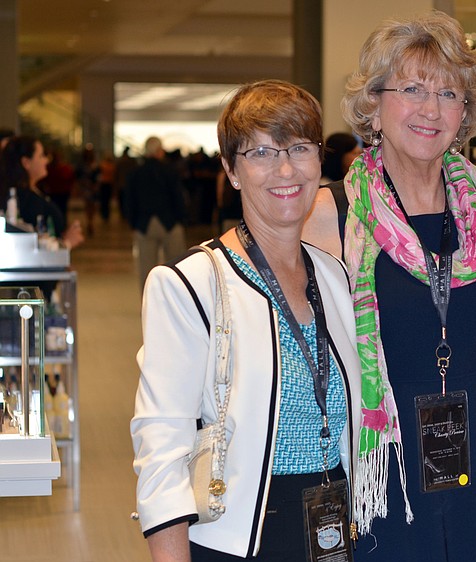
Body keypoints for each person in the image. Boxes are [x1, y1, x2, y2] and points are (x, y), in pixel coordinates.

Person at [303, 11, 476, 561]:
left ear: (465, 113)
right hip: (384, 459)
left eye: (448, 94)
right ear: (373, 106)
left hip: (475, 446)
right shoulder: (333, 216)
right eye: (412, 90)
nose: (431, 109)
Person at [131, 79, 362, 561]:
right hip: (239, 538)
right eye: (260, 153)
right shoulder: (191, 284)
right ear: (231, 171)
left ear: (319, 161)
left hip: (330, 527)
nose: (285, 168)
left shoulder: (333, 277)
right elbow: (161, 450)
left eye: (299, 148)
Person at [123, 136, 188, 290]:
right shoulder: (170, 171)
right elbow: (178, 197)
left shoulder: (136, 173)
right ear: (160, 151)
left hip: (144, 224)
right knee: (176, 269)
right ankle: (176, 300)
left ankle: (149, 302)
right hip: (170, 223)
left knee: (146, 271)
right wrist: (182, 219)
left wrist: (133, 223)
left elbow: (129, 200)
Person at [1, 135, 84, 249]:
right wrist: (66, 243)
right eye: (41, 156)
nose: (46, 160)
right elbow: (30, 245)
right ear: (26, 162)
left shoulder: (31, 192)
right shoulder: (20, 199)